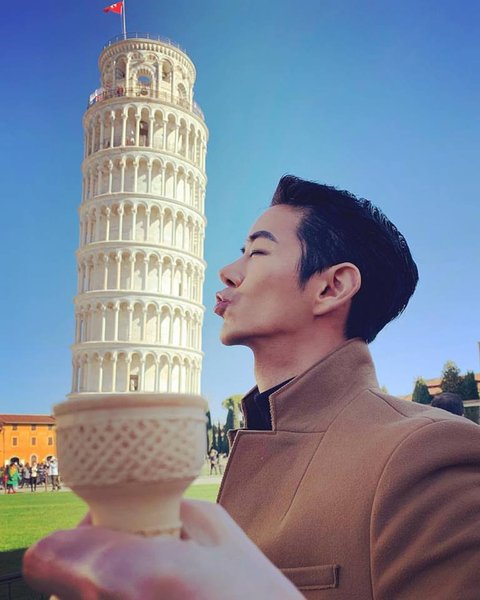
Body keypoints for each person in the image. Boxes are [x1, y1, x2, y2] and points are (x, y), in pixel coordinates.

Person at [23, 175, 480, 598]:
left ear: (331, 287)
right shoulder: (257, 433)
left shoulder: (427, 453)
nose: (227, 271)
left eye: (257, 253)